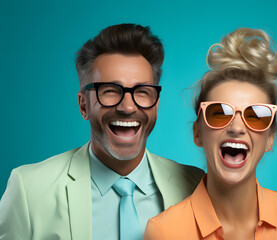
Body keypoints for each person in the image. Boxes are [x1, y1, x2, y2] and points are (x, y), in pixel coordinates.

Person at [0, 23, 204, 240]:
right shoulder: (28, 190)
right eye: (109, 91)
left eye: (142, 92)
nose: (127, 107)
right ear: (83, 105)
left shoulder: (196, 187)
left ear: (156, 104)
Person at [144, 28, 277, 239]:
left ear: (270, 139)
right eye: (220, 113)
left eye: (256, 116)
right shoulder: (164, 232)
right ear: (198, 134)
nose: (237, 128)